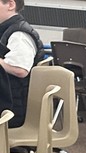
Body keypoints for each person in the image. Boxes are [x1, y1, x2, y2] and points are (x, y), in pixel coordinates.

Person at [0, 0, 44, 128]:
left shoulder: (19, 34)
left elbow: (20, 69)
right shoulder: (6, 29)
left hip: (13, 108)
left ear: (10, 5)